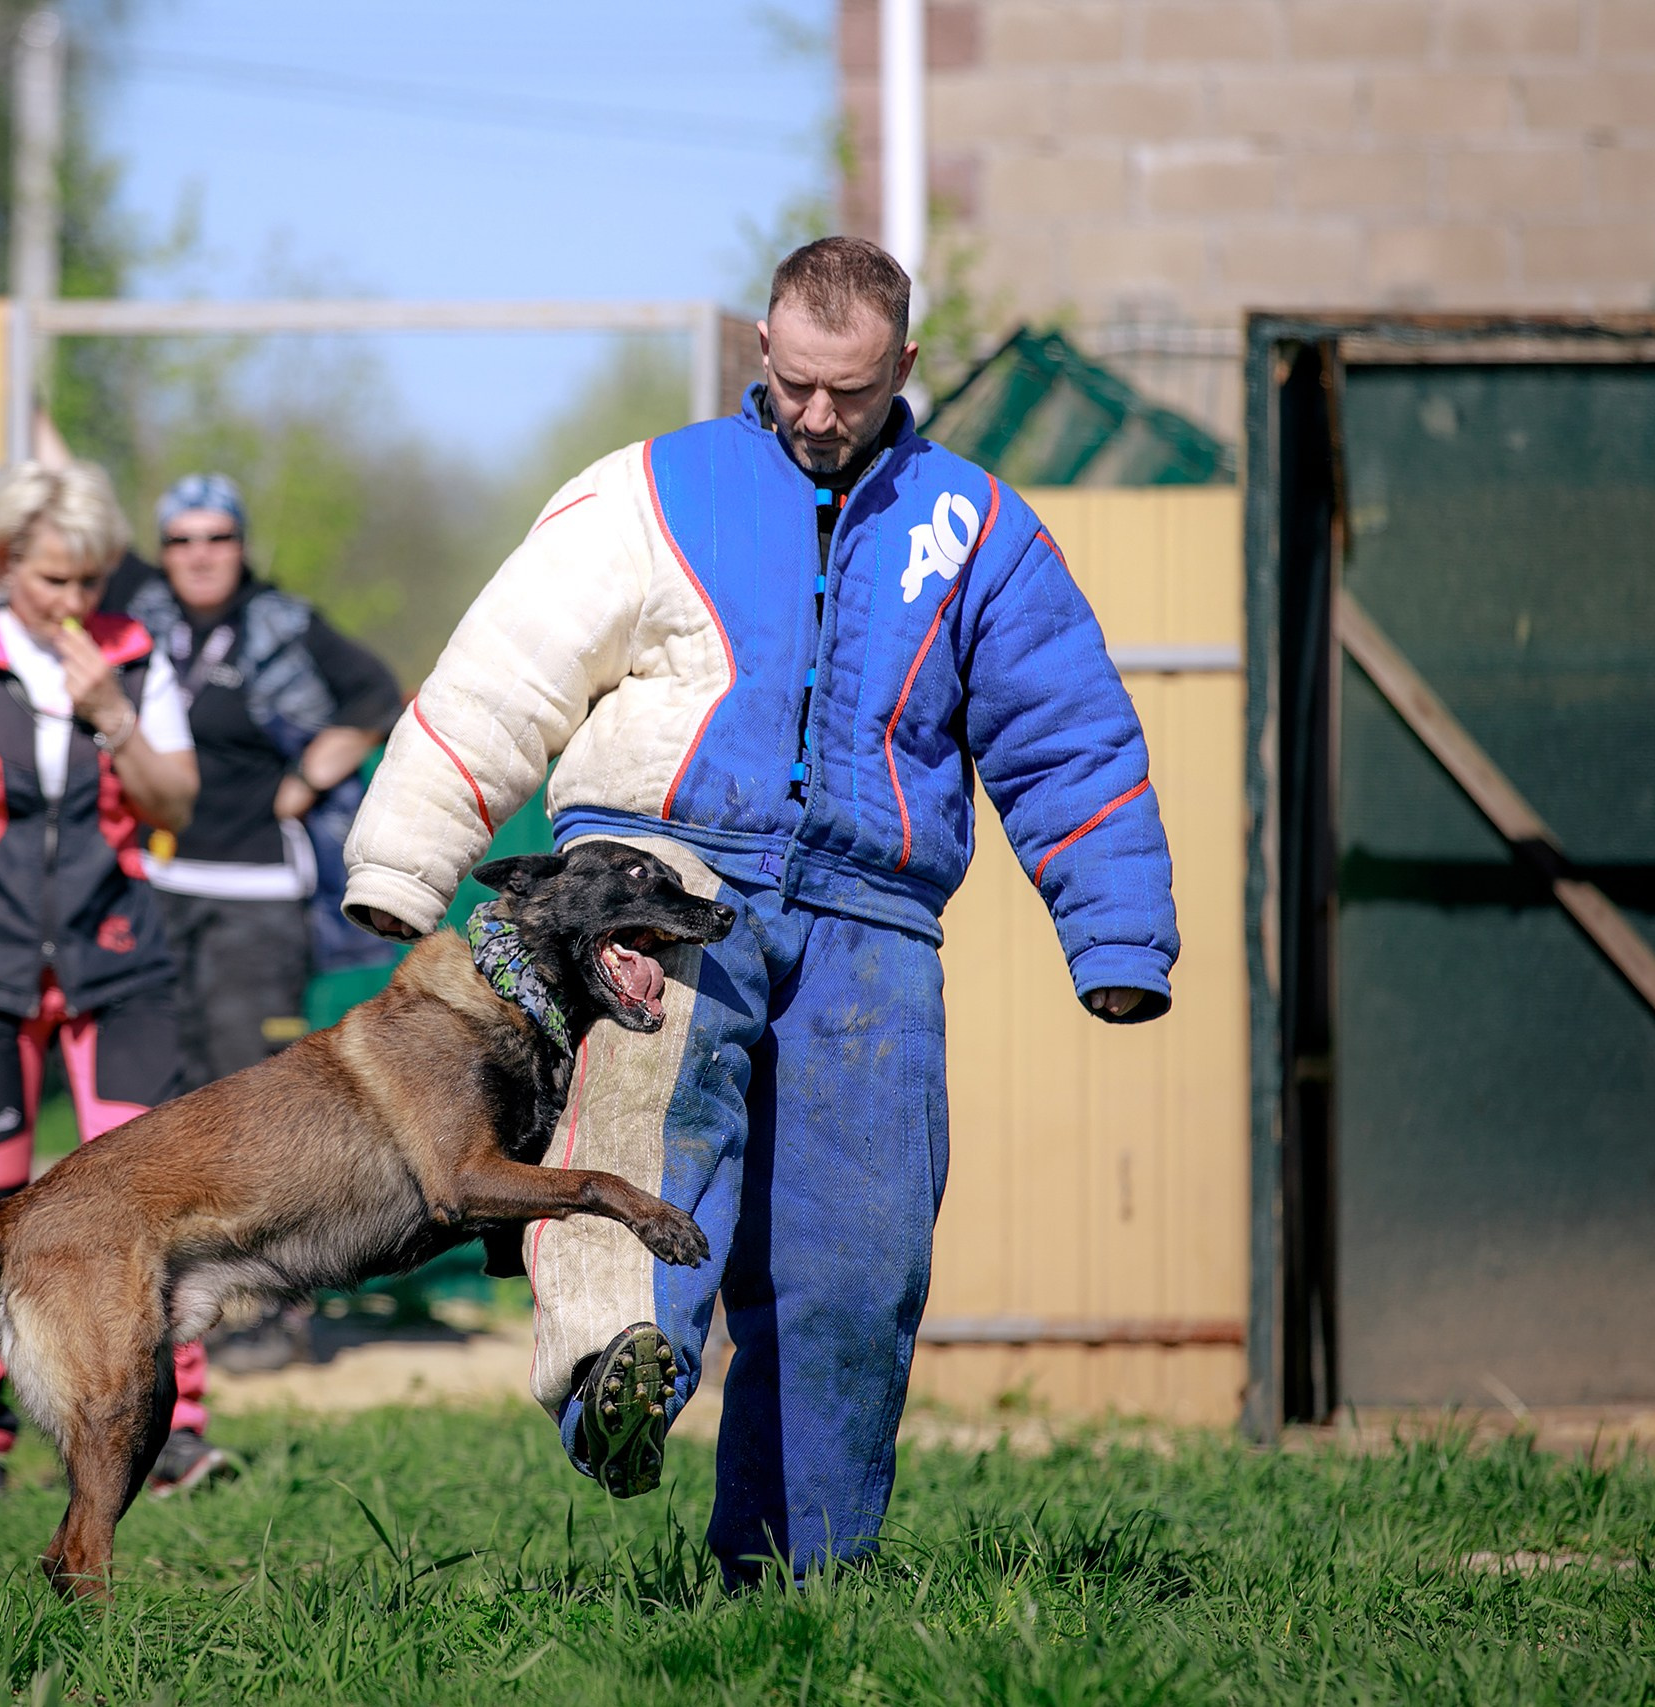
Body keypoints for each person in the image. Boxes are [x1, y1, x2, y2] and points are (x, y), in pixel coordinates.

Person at [340, 237, 1179, 1585]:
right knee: (651, 1133)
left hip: (873, 921)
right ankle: (614, 1372)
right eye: (793, 383)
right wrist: (403, 862)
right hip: (662, 884)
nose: (817, 415)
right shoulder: (651, 491)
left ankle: (800, 1576)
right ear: (762, 351)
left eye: (850, 390)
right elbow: (506, 671)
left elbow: (1066, 736)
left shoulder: (979, 530)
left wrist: (1117, 931)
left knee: (855, 1263)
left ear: (906, 365)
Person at [0, 458, 229, 1498]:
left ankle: (171, 1429)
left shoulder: (135, 660)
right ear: (4, 564)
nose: (73, 601)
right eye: (51, 580)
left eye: (89, 579)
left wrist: (113, 712)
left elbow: (175, 803)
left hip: (117, 961)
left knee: (153, 1198)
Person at [116, 473, 404, 1095]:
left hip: (256, 894)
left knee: (240, 1090)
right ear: (161, 552)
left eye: (218, 537)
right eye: (181, 540)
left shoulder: (282, 624)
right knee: (155, 1093)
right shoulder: (139, 618)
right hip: (152, 886)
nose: (200, 554)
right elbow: (78, 507)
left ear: (242, 545)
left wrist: (308, 775)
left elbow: (377, 696)